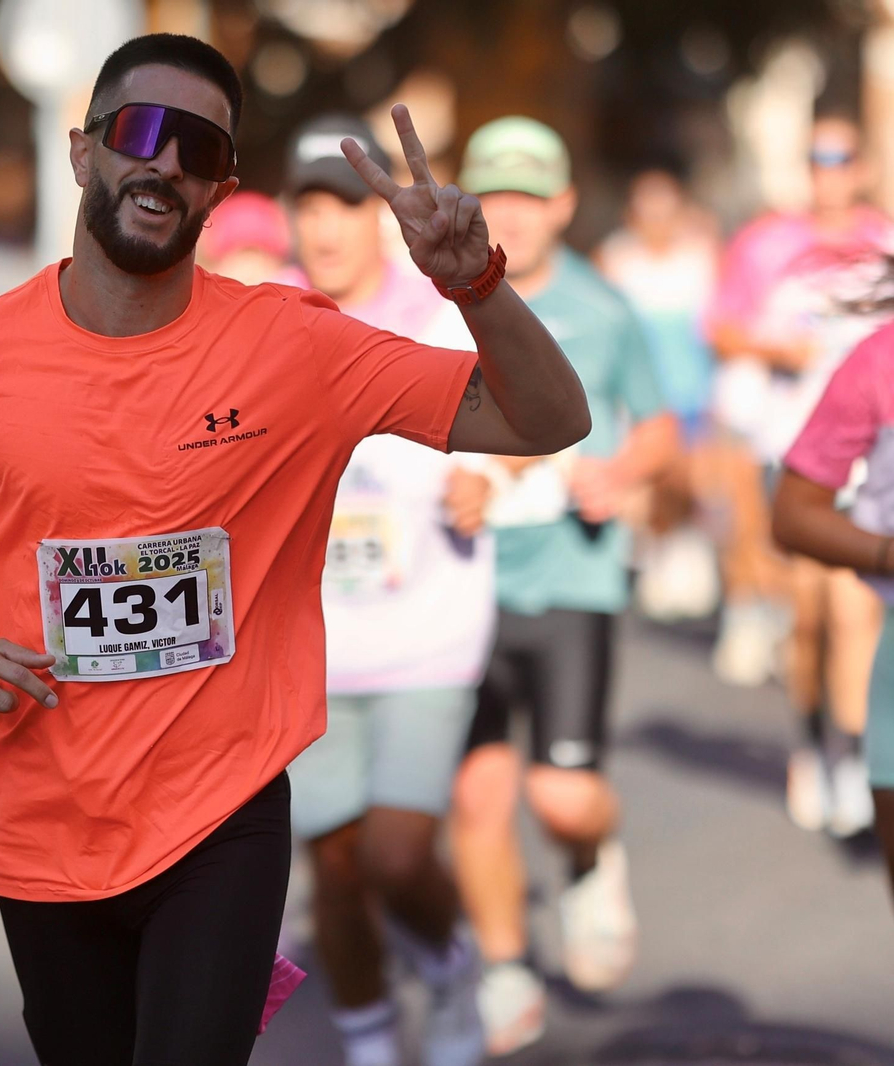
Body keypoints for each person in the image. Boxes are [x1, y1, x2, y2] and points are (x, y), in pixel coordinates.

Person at [0, 33, 589, 1066]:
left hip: (219, 814)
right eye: (142, 132)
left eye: (198, 149)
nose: (166, 163)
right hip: (45, 821)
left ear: (220, 189)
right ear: (84, 152)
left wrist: (478, 285)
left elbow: (545, 419)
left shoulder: (296, 347)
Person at [445, 117, 677, 1056]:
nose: (514, 216)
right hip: (462, 592)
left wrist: (619, 475)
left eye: (531, 198)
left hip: (573, 580)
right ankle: (504, 968)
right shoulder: (435, 305)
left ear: (566, 205)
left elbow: (659, 427)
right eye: (495, 195)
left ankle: (589, 860)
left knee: (564, 797)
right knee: (477, 800)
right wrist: (449, 485)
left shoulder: (605, 307)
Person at [280, 114, 488, 1066]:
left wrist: (496, 479)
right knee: (332, 860)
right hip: (309, 645)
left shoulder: (441, 313)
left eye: (347, 204)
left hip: (427, 635)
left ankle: (450, 968)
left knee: (397, 856)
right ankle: (370, 1045)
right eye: (308, 204)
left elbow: (532, 418)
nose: (325, 227)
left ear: (382, 217)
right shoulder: (266, 323)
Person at [707, 109, 893, 836]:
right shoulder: (767, 243)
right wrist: (773, 349)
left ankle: (850, 754)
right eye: (819, 159)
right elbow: (720, 326)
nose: (831, 173)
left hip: (871, 458)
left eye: (843, 158)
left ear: (863, 168)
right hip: (792, 450)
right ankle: (813, 737)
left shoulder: (883, 241)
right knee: (808, 617)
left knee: (855, 611)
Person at [774, 313, 894, 893]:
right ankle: (836, 749)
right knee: (824, 622)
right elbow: (793, 515)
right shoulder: (880, 358)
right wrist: (887, 554)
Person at [596, 167, 723, 623]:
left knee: (688, 484)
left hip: (691, 396)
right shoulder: (615, 259)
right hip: (638, 401)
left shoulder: (701, 258)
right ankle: (653, 568)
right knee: (645, 486)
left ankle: (687, 569)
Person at [195, 188, 290, 285]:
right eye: (237, 261)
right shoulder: (205, 292)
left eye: (258, 259)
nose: (249, 274)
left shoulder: (293, 291)